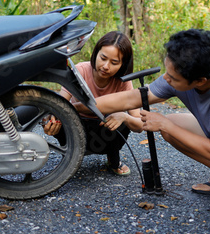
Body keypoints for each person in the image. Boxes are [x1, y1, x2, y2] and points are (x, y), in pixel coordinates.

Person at [75, 29, 210, 218]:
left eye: (173, 79)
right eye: (167, 72)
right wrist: (79, 106)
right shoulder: (182, 70)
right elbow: (133, 98)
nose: (166, 80)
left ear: (200, 81)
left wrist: (165, 125)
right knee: (175, 122)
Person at [44, 31, 143, 175]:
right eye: (103, 58)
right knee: (60, 116)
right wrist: (50, 121)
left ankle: (113, 159)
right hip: (77, 128)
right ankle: (70, 157)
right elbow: (61, 103)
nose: (106, 66)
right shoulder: (81, 70)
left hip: (104, 130)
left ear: (123, 65)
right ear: (96, 53)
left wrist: (124, 116)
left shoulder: (123, 81)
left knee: (121, 122)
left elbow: (140, 125)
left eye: (114, 62)